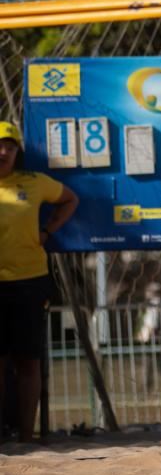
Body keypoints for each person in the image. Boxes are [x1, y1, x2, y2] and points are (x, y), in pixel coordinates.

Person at [0, 121, 79, 442]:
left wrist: (48, 232)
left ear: (18, 151)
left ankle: (28, 435)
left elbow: (70, 199)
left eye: (10, 145)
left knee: (29, 360)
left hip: (30, 281)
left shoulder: (34, 182)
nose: (3, 151)